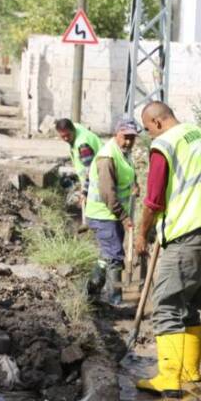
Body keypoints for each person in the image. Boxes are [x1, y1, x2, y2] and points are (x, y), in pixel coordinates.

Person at [134, 101, 201, 394]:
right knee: (190, 304)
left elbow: (153, 200)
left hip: (187, 234)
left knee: (166, 304)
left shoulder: (164, 145)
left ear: (156, 123)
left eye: (147, 129)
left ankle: (168, 377)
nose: (149, 135)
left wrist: (144, 233)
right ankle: (190, 372)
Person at [84, 116, 139, 306]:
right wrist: (124, 217)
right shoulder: (107, 157)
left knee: (106, 256)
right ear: (116, 134)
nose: (129, 141)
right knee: (115, 257)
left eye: (132, 137)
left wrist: (135, 184)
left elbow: (128, 173)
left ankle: (91, 291)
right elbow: (108, 193)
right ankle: (114, 300)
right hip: (103, 214)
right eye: (125, 136)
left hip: (112, 214)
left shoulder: (124, 152)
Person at [55, 118, 101, 222]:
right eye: (63, 136)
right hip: (96, 176)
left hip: (99, 179)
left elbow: (91, 172)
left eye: (68, 135)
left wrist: (84, 192)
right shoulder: (76, 127)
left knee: (97, 212)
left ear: (73, 130)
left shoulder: (83, 145)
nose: (66, 138)